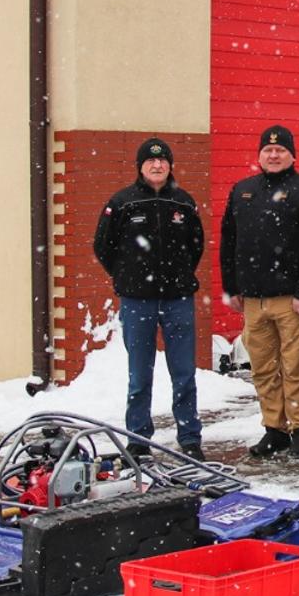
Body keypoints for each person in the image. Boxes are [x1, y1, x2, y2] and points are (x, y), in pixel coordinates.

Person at [93, 137, 206, 460]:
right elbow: (103, 246)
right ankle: (138, 438)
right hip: (137, 300)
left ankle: (189, 438)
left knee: (183, 373)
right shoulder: (123, 202)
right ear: (140, 167)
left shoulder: (183, 203)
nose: (157, 166)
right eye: (150, 162)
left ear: (170, 166)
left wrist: (179, 276)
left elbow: (195, 245)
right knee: (139, 376)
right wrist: (127, 277)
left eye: (163, 161)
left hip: (178, 300)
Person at [221, 125, 299, 458]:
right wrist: (231, 287)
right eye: (267, 150)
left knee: (296, 367)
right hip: (254, 300)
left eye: (280, 149)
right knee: (263, 368)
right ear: (259, 156)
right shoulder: (242, 191)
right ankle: (275, 429)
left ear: (292, 155)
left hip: (291, 301)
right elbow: (229, 242)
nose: (273, 154)